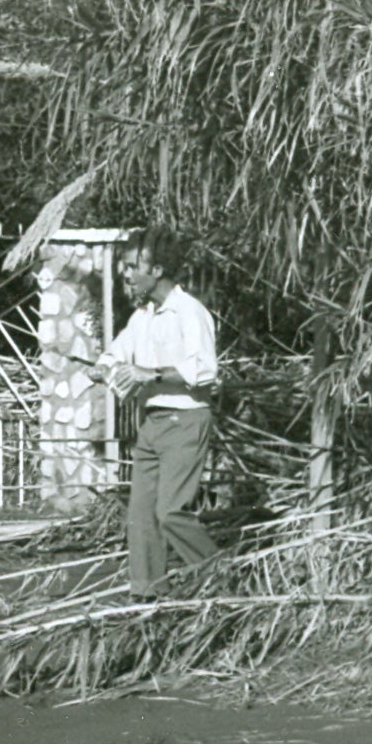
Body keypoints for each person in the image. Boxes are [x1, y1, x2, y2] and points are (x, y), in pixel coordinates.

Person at [91, 226, 220, 599]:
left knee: (171, 513)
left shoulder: (190, 313)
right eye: (124, 267)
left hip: (185, 420)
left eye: (133, 266)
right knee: (141, 517)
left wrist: (153, 373)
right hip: (152, 424)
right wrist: (102, 368)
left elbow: (205, 372)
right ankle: (147, 596)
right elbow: (116, 354)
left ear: (158, 269)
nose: (126, 275)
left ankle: (220, 578)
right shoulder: (143, 317)